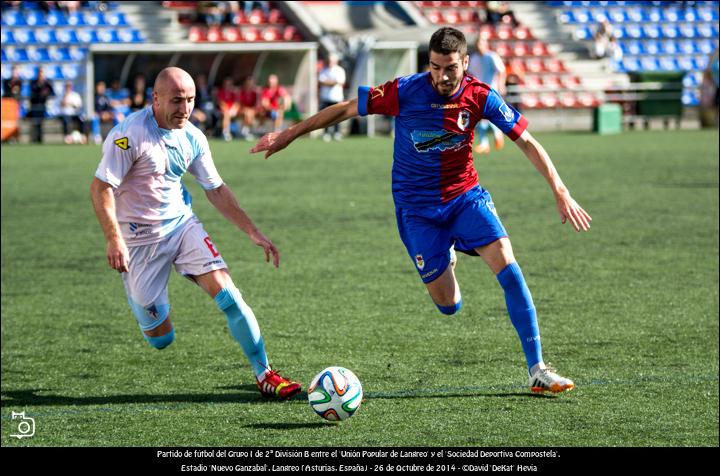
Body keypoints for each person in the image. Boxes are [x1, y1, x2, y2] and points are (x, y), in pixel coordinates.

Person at [252, 27, 592, 394]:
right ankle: (449, 252)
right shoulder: (405, 90)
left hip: (465, 198)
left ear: (465, 63)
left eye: (450, 68)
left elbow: (526, 141)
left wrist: (560, 190)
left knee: (509, 266)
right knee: (449, 305)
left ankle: (537, 369)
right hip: (417, 212)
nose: (442, 77)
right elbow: (347, 108)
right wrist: (288, 135)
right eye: (435, 67)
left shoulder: (481, 96)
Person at [90, 67, 301, 400]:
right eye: (176, 100)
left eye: (189, 100)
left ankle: (265, 374)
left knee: (230, 295)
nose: (184, 109)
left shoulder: (193, 137)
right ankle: (145, 306)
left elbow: (215, 189)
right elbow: (101, 187)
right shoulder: (129, 134)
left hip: (181, 226)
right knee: (160, 339)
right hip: (139, 242)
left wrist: (252, 231)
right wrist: (114, 237)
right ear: (155, 99)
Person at [468, 36, 506, 155]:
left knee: (488, 117)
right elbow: (470, 74)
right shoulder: (474, 58)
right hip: (478, 92)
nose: (479, 46)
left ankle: (496, 135)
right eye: (477, 43)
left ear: (486, 44)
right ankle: (486, 142)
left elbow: (501, 71)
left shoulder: (492, 56)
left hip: (491, 92)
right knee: (479, 118)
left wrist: (501, 85)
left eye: (481, 43)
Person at [318, 54, 347, 141]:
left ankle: (336, 132)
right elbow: (321, 82)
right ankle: (326, 133)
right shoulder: (324, 70)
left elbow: (339, 82)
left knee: (338, 116)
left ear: (335, 61)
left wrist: (328, 82)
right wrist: (332, 82)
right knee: (326, 116)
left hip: (336, 97)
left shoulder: (340, 70)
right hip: (325, 97)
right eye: (329, 60)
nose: (330, 62)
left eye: (331, 61)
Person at [29, 68, 55, 144]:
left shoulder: (47, 83)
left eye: (42, 73)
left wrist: (46, 93)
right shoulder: (33, 82)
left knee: (40, 122)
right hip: (35, 104)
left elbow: (52, 93)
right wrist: (41, 91)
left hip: (43, 105)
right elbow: (33, 91)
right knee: (35, 122)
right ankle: (34, 138)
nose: (41, 75)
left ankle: (40, 139)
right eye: (40, 73)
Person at [217, 76, 240, 141]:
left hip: (233, 110)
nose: (228, 85)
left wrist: (234, 109)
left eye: (229, 84)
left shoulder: (234, 92)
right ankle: (225, 132)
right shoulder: (221, 91)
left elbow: (237, 102)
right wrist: (227, 110)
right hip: (223, 110)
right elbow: (221, 103)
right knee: (226, 114)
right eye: (226, 84)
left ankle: (243, 131)